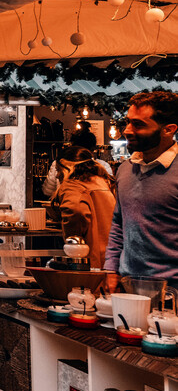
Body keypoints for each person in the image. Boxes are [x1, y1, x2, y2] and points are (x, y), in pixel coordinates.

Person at [105, 92, 178, 290]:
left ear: (168, 130)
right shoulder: (126, 169)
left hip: (172, 293)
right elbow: (119, 223)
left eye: (138, 124)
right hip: (127, 286)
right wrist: (111, 269)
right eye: (128, 122)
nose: (127, 130)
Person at [55, 146, 116, 270]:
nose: (57, 175)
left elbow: (75, 210)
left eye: (58, 170)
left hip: (89, 259)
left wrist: (74, 242)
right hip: (112, 256)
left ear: (66, 168)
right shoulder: (105, 181)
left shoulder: (73, 186)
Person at [41, 121, 113, 198]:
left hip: (63, 206)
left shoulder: (59, 163)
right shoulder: (103, 166)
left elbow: (48, 191)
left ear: (72, 146)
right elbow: (110, 193)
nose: (58, 175)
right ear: (93, 148)